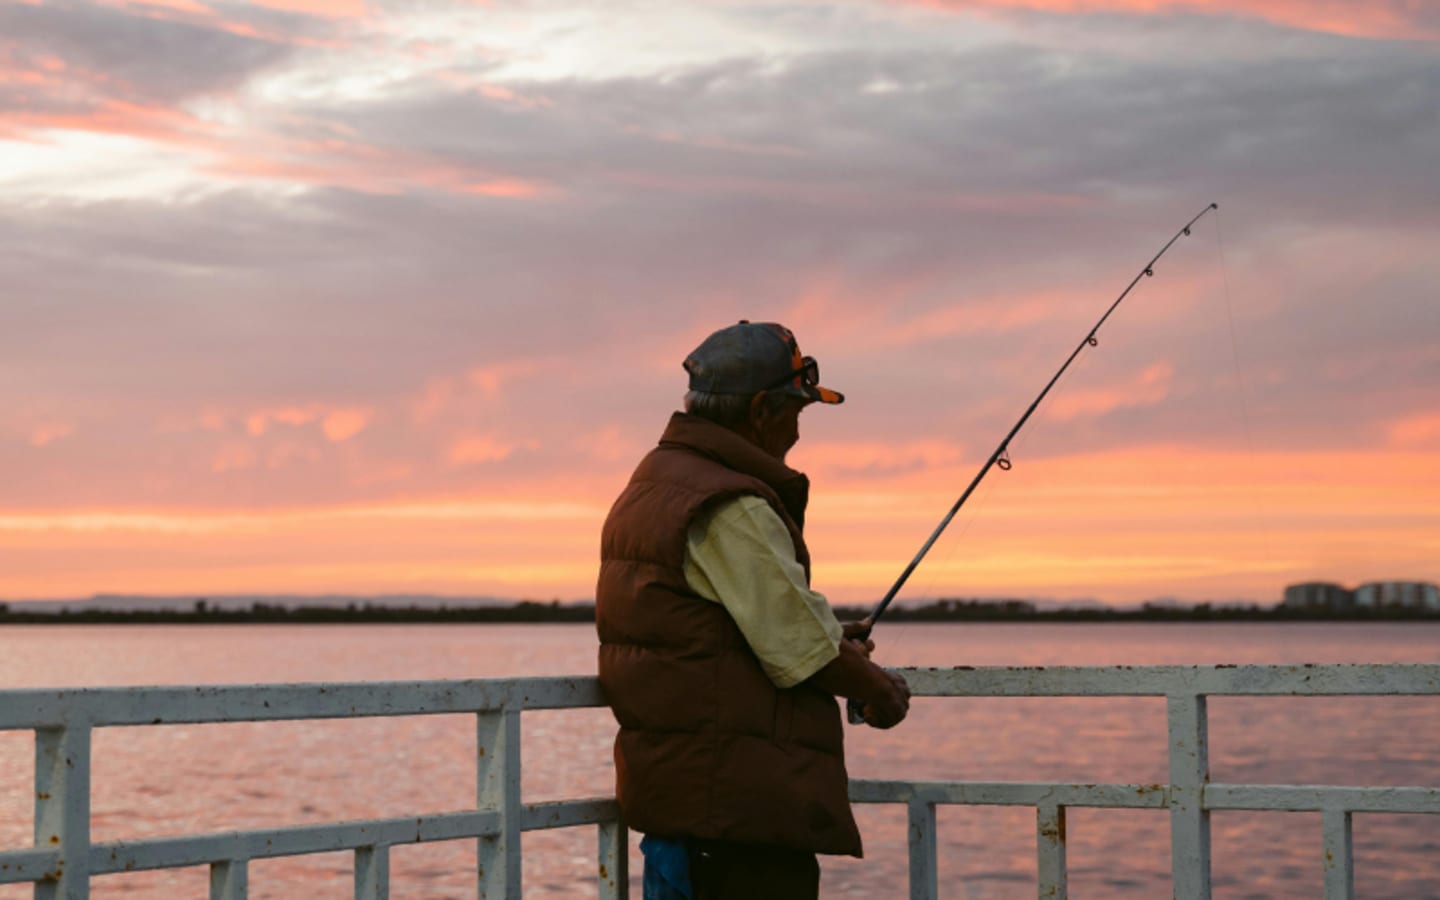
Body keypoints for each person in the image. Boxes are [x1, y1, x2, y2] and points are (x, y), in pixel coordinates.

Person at [596, 320, 912, 900]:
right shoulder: (731, 504)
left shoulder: (655, 483)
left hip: (685, 807)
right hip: (737, 814)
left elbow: (714, 625)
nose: (797, 430)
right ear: (763, 408)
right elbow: (802, 651)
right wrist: (878, 688)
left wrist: (828, 638)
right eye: (796, 411)